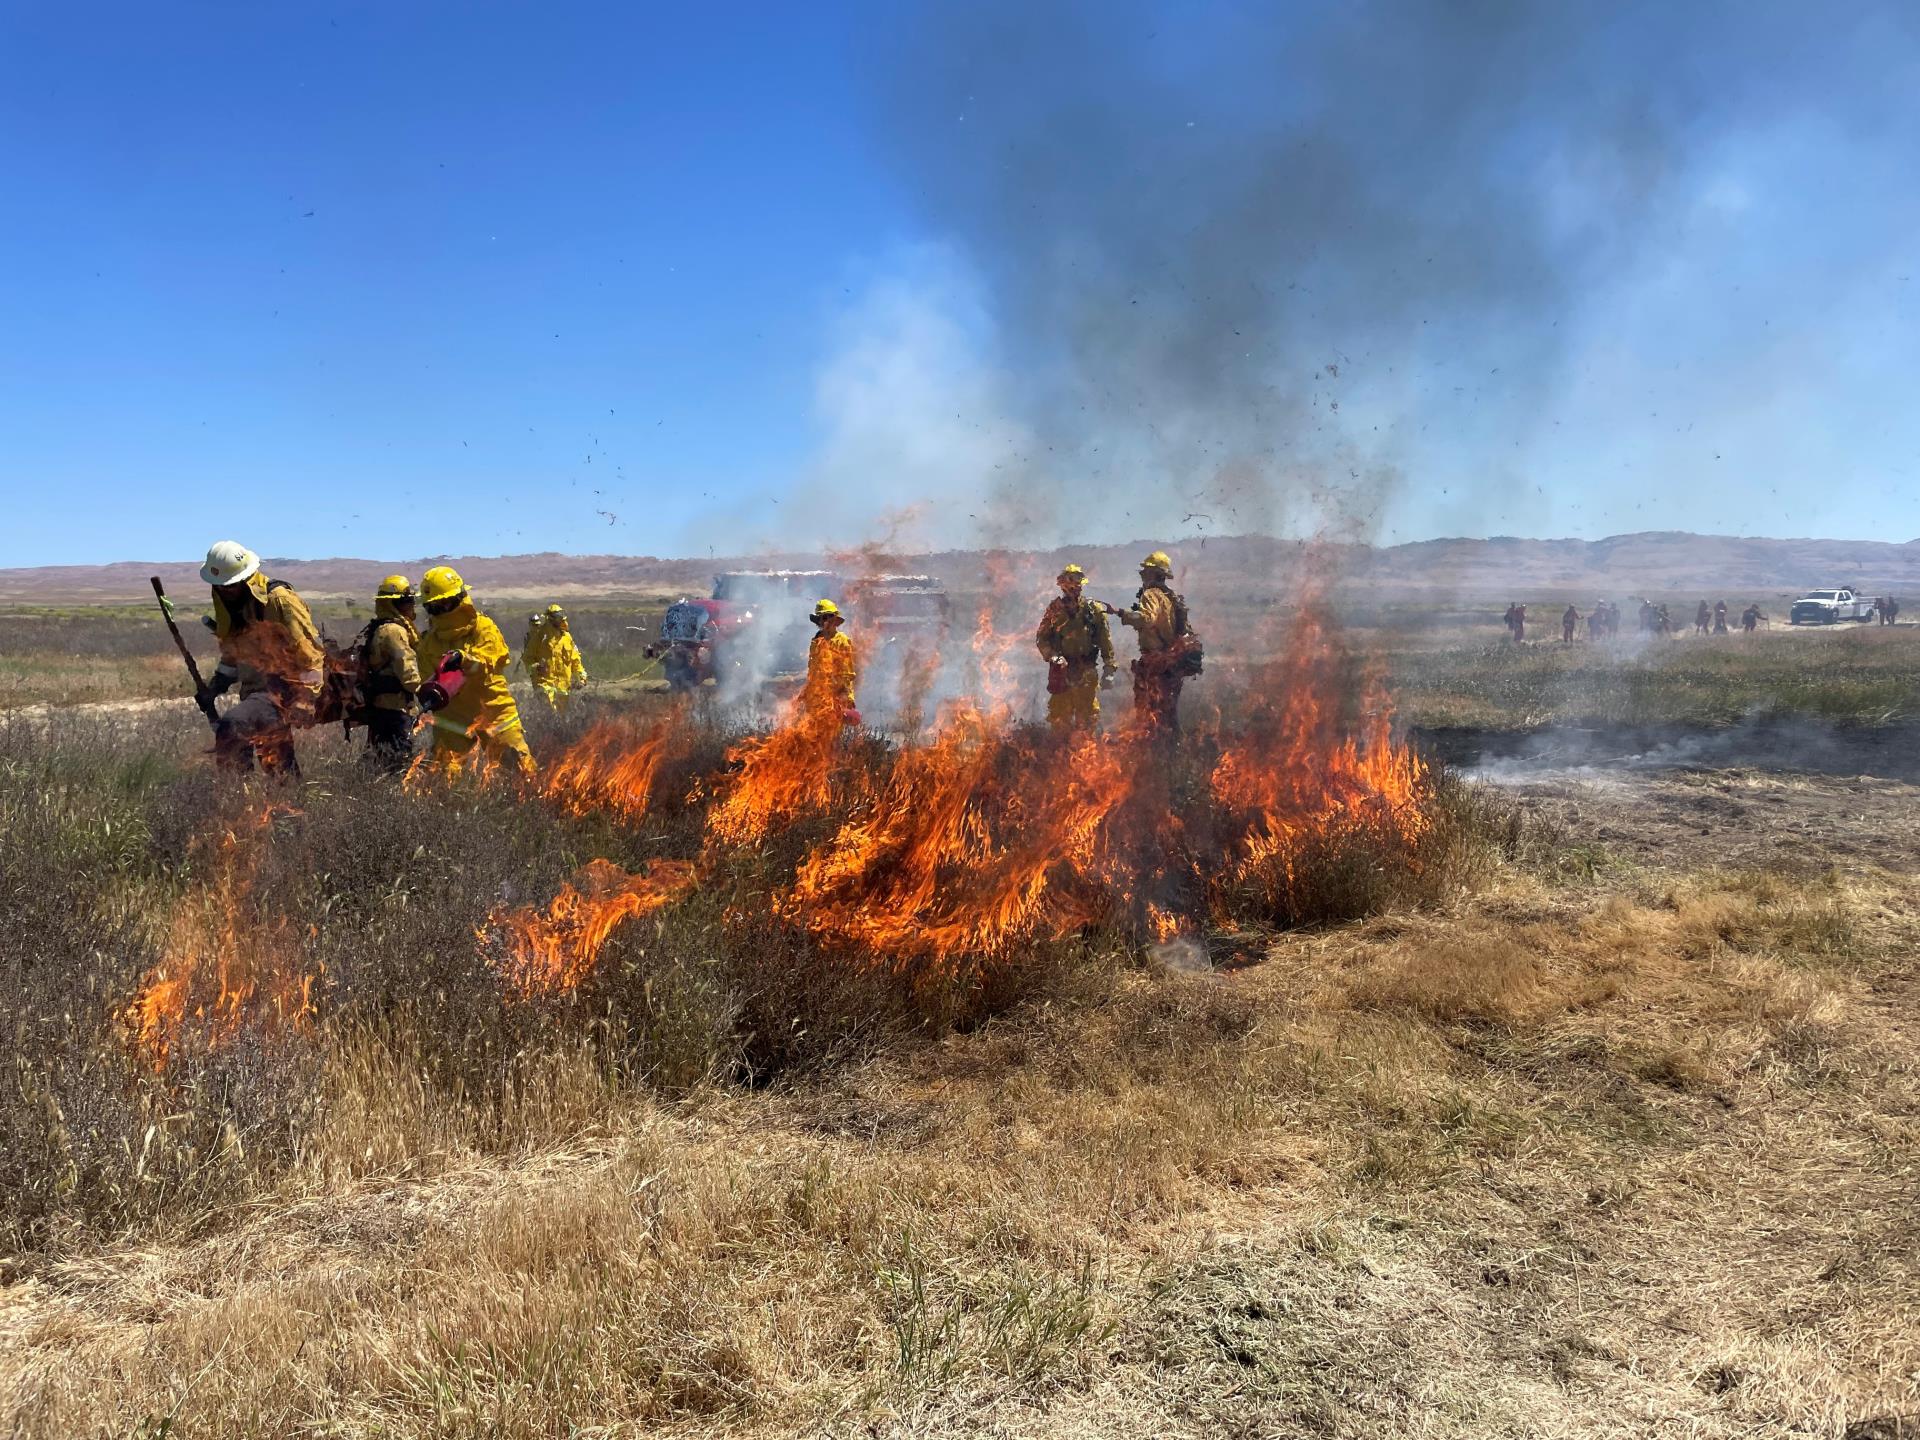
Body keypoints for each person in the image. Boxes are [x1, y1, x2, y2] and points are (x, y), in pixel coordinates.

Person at [199, 540, 325, 775]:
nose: (225, 590)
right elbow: (232, 651)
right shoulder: (226, 600)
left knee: (232, 725)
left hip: (281, 692)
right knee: (277, 766)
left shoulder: (279, 600)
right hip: (255, 692)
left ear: (246, 578)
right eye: (220, 586)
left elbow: (310, 653)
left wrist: (306, 699)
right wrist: (215, 686)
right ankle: (276, 802)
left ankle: (235, 795)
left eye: (231, 585)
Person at [413, 566, 535, 774]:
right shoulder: (429, 642)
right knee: (447, 777)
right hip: (452, 719)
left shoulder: (483, 628)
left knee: (519, 771)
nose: (439, 611)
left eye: (443, 604)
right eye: (433, 607)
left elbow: (491, 661)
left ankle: (532, 804)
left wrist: (464, 660)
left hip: (493, 712)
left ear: (459, 598)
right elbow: (426, 680)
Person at [1118, 550, 1196, 737]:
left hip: (1155, 663)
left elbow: (1147, 619)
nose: (1143, 575)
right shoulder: (1169, 598)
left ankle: (1153, 755)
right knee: (1168, 713)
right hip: (1171, 664)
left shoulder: (1151, 594)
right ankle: (1174, 753)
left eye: (1146, 571)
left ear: (1154, 574)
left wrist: (1121, 613)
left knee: (1148, 712)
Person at [1035, 563, 1116, 731]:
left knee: (1087, 721)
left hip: (1086, 671)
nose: (1075, 589)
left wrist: (1109, 668)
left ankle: (1085, 755)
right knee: (1059, 720)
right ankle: (1060, 755)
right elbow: (1042, 639)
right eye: (1070, 585)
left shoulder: (1094, 610)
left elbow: (1105, 641)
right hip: (1061, 673)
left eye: (1078, 585)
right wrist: (1052, 656)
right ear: (1063, 587)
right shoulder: (1054, 611)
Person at [357, 575, 421, 771]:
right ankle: (395, 797)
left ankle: (372, 791)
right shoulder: (394, 631)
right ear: (395, 604)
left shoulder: (380, 628)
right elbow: (408, 673)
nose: (410, 606)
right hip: (396, 710)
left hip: (380, 708)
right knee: (399, 763)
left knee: (379, 759)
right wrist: (425, 689)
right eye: (406, 601)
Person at [802, 599, 858, 730]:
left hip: (835, 698)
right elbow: (812, 670)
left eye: (828, 617)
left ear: (835, 619)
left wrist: (844, 698)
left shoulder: (842, 641)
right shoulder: (816, 641)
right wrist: (807, 693)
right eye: (822, 617)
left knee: (831, 738)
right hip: (816, 700)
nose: (825, 621)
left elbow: (846, 673)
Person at [527, 603, 588, 710]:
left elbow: (575, 661)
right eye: (558, 618)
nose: (562, 621)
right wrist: (535, 667)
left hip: (564, 687)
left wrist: (582, 676)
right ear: (550, 619)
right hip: (545, 683)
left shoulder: (567, 638)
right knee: (549, 711)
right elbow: (528, 658)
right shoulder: (539, 637)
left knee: (560, 718)